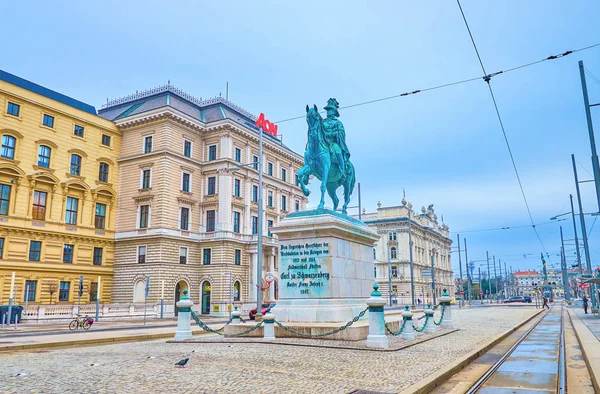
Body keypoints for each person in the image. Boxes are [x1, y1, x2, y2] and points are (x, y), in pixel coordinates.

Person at [322, 98, 350, 180]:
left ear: (334, 111)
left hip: (333, 143)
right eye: (327, 110)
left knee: (337, 151)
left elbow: (341, 133)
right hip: (324, 142)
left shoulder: (338, 123)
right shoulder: (323, 122)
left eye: (330, 110)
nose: (328, 112)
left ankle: (342, 171)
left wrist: (332, 134)